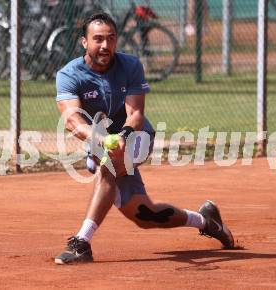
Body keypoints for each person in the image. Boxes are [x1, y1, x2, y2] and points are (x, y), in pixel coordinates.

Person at [54, 12, 234, 264]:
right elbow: (73, 120)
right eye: (98, 39)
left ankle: (81, 243)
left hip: (137, 136)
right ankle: (207, 220)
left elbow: (136, 113)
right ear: (84, 42)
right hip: (103, 141)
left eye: (111, 38)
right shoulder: (69, 75)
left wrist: (122, 136)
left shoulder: (130, 65)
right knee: (146, 216)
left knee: (108, 166)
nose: (105, 45)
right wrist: (102, 140)